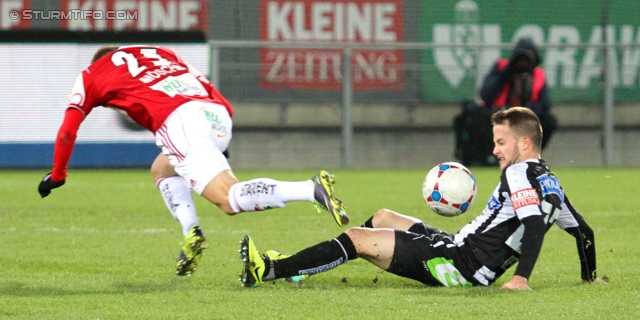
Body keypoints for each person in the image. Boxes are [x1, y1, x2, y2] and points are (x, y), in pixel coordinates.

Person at [37, 45, 350, 277]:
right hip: (216, 115)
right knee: (162, 167)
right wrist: (218, 140)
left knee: (229, 199)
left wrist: (58, 174)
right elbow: (212, 91)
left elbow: (67, 131)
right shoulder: (158, 52)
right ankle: (192, 232)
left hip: (180, 123)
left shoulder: (92, 75)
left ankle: (310, 189)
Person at [239, 107, 601, 290]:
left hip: (463, 264)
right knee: (382, 217)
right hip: (461, 248)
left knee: (357, 239)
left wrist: (521, 278)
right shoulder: (549, 181)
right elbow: (584, 232)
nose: (495, 150)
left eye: (501, 142)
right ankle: (307, 266)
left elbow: (534, 225)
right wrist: (590, 278)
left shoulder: (518, 172)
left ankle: (270, 270)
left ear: (524, 143)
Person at [480, 37, 558, 150]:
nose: (523, 63)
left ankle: (531, 154)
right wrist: (505, 75)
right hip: (500, 114)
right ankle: (490, 155)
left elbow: (545, 104)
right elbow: (485, 95)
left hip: (527, 117)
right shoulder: (501, 68)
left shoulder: (538, 75)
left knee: (549, 121)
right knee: (480, 117)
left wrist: (528, 111)